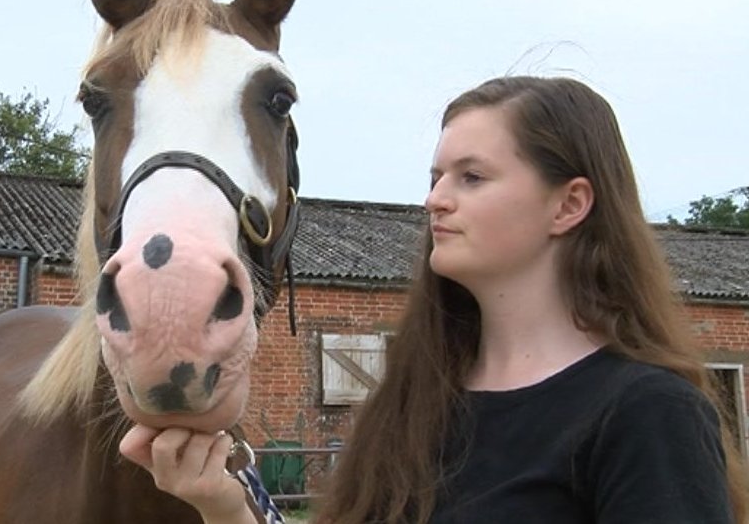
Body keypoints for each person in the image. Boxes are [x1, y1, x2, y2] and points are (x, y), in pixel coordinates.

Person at [119, 76, 748, 523]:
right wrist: (225, 505)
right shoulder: (414, 399)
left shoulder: (647, 415)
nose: (435, 200)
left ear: (569, 204)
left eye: (471, 177)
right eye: (435, 177)